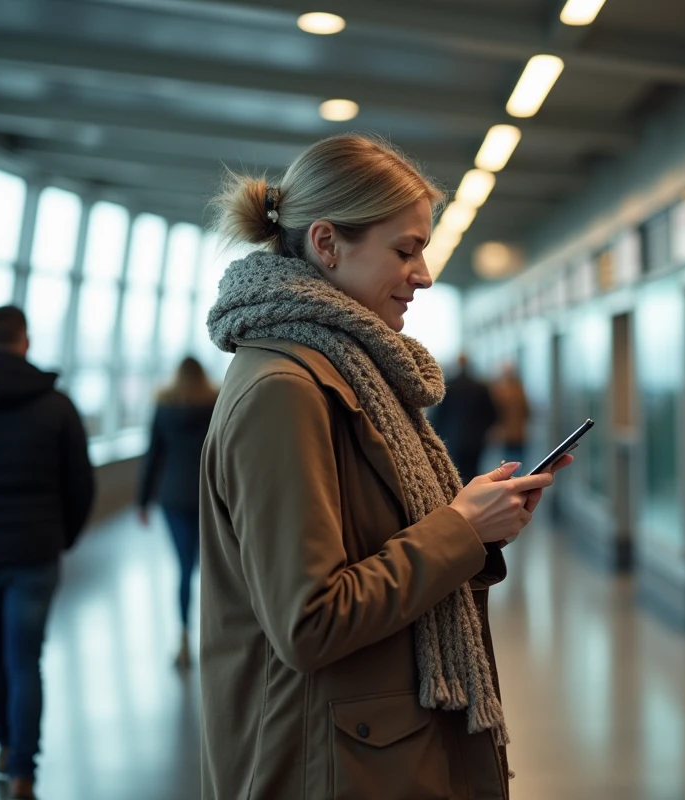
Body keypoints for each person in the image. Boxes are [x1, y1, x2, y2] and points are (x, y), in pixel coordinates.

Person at [199, 134, 570, 800]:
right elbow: (310, 622)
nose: (424, 275)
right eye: (406, 250)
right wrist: (458, 529)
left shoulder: (350, 371)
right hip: (328, 763)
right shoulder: (286, 390)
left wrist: (478, 526)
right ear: (326, 243)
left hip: (367, 748)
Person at [0, 306, 94, 800]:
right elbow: (81, 483)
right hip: (35, 551)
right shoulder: (56, 406)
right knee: (24, 660)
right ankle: (22, 771)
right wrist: (65, 535)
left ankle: (3, 740)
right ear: (26, 343)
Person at [137, 356, 217, 669]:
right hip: (208, 495)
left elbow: (152, 454)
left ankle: (183, 639)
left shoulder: (164, 406)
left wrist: (143, 501)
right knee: (214, 569)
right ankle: (216, 639)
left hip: (173, 497)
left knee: (184, 567)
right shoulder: (214, 403)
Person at [432, 354, 499, 484]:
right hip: (476, 439)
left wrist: (439, 434)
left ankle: (459, 500)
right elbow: (492, 414)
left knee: (455, 473)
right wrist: (483, 430)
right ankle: (475, 499)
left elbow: (439, 415)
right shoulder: (480, 387)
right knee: (474, 472)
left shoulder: (448, 386)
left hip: (453, 438)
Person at [491, 363, 531, 467]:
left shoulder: (500, 390)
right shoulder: (518, 389)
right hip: (513, 433)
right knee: (516, 461)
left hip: (510, 433)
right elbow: (527, 411)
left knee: (507, 463)